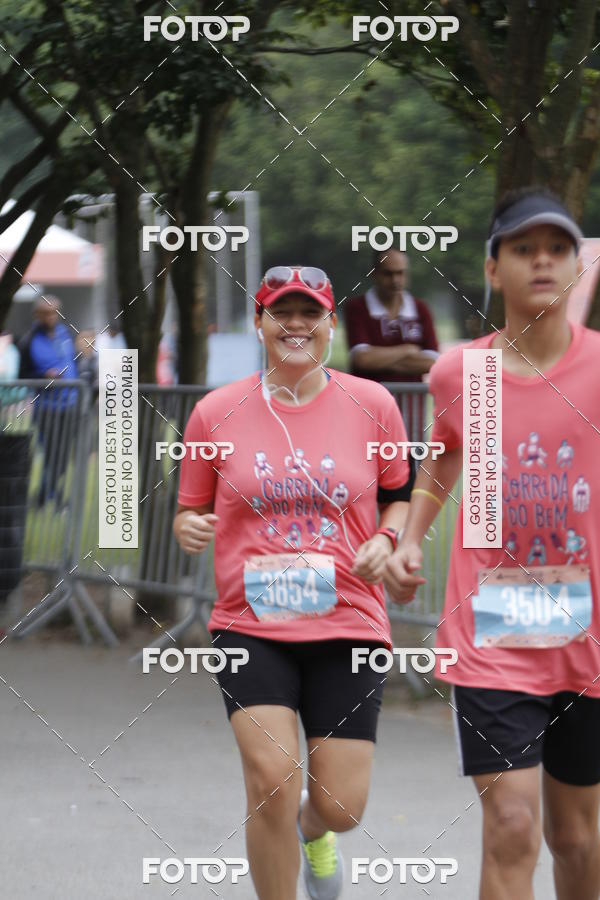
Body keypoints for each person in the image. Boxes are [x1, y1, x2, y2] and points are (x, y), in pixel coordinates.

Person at [385, 187, 600, 899]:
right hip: (492, 638)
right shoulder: (465, 374)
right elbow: (446, 456)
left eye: (558, 250)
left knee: (575, 838)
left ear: (576, 266)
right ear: (492, 268)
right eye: (523, 249)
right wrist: (411, 539)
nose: (542, 261)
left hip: (587, 638)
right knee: (512, 823)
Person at [174, 265, 413, 900]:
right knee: (271, 780)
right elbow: (191, 509)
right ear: (259, 324)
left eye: (311, 313)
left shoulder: (375, 404)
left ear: (331, 323)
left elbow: (399, 497)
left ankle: (316, 830)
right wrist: (189, 529)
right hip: (251, 622)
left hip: (349, 619)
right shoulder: (215, 413)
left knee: (342, 806)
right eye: (282, 313)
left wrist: (385, 540)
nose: (297, 325)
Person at [344, 248, 439, 385]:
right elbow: (362, 360)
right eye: (388, 274)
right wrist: (408, 350)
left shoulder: (421, 308)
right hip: (369, 403)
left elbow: (433, 363)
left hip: (411, 403)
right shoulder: (357, 308)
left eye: (400, 273)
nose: (395, 280)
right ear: (374, 274)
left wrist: (378, 360)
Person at [28, 296, 78, 506]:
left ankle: (46, 494)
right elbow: (36, 368)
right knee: (50, 453)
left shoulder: (64, 335)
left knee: (63, 455)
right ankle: (49, 497)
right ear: (37, 315)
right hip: (47, 406)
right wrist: (46, 376)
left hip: (70, 403)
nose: (51, 317)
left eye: (54, 312)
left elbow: (71, 363)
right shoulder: (31, 340)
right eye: (46, 313)